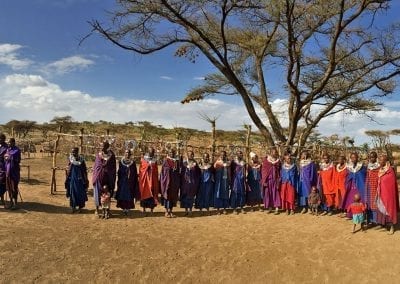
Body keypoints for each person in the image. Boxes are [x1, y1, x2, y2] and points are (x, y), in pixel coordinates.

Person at [375, 154, 399, 235]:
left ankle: (392, 227)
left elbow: (391, 183)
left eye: (381, 160)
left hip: (388, 194)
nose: (380, 161)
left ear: (385, 161)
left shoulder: (390, 170)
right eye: (379, 160)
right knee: (382, 208)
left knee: (389, 209)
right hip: (380, 192)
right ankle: (384, 224)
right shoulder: (380, 169)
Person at [92, 141, 116, 216]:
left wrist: (108, 172)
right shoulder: (98, 155)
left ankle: (107, 210)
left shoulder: (111, 156)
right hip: (99, 177)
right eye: (100, 146)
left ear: (106, 147)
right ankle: (97, 209)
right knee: (97, 192)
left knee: (107, 192)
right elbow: (96, 166)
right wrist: (96, 175)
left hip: (108, 177)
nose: (101, 148)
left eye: (103, 146)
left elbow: (113, 167)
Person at [341, 152, 366, 218]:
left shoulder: (362, 167)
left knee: (360, 199)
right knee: (351, 199)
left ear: (357, 158)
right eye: (352, 158)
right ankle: (351, 214)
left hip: (359, 186)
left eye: (355, 157)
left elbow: (363, 176)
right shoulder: (349, 167)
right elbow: (347, 176)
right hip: (351, 186)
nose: (353, 159)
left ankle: (360, 214)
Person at [116, 149, 139, 215]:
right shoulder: (121, 161)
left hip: (130, 181)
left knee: (129, 194)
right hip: (123, 180)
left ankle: (128, 208)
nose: (127, 154)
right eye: (126, 152)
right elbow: (119, 171)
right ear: (124, 153)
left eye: (128, 153)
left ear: (130, 154)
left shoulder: (133, 162)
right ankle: (123, 208)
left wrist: (130, 174)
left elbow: (134, 172)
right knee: (122, 194)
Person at [65, 147, 88, 213]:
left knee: (80, 193)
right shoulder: (71, 159)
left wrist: (85, 179)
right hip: (72, 179)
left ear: (77, 152)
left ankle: (80, 208)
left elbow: (84, 169)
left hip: (80, 180)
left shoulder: (81, 159)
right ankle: (73, 207)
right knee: (73, 193)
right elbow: (69, 169)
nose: (73, 153)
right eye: (72, 152)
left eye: (74, 152)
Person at [160, 148, 181, 218]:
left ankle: (171, 211)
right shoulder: (165, 161)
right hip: (167, 182)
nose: (171, 154)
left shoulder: (176, 161)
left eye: (172, 153)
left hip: (174, 182)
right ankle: (166, 211)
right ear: (168, 153)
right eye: (170, 152)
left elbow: (178, 171)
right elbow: (162, 172)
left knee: (173, 196)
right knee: (167, 196)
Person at [138, 147, 159, 215]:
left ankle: (151, 210)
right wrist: (148, 166)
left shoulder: (155, 160)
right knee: (144, 193)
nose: (152, 153)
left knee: (152, 194)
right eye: (151, 151)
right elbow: (141, 169)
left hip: (152, 179)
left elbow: (156, 170)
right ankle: (144, 209)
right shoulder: (144, 159)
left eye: (153, 152)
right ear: (148, 152)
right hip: (146, 180)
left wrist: (152, 168)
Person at [180, 150, 201, 216]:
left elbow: (198, 173)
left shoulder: (195, 163)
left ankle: (190, 210)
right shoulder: (184, 163)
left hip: (192, 183)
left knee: (191, 197)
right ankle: (186, 210)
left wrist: (196, 181)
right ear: (187, 155)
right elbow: (182, 172)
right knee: (185, 196)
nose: (191, 156)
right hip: (185, 183)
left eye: (192, 154)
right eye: (189, 154)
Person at [261, 148, 281, 214]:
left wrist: (279, 179)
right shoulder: (266, 161)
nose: (274, 153)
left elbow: (280, 171)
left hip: (275, 180)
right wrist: (264, 181)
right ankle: (270, 208)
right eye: (273, 152)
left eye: (275, 152)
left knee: (276, 193)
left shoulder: (278, 161)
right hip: (268, 180)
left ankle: (277, 208)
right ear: (271, 153)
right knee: (268, 194)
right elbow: (263, 171)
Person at [5, 138, 21, 209]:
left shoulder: (17, 150)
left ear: (13, 142)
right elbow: (5, 157)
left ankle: (15, 204)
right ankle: (11, 202)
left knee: (14, 188)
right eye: (8, 143)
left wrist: (9, 157)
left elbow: (17, 159)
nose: (8, 144)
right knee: (9, 188)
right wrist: (7, 157)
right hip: (8, 172)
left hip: (14, 173)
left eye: (9, 142)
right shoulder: (8, 150)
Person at [230, 150, 247, 214]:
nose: (241, 155)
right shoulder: (233, 162)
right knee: (235, 192)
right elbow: (230, 171)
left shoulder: (244, 162)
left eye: (241, 154)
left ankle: (242, 207)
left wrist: (244, 178)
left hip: (242, 179)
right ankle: (234, 208)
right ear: (236, 155)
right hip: (235, 179)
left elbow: (245, 171)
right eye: (239, 154)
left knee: (242, 192)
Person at [365, 151, 379, 224]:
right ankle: (370, 220)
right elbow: (367, 177)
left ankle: (377, 220)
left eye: (373, 157)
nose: (371, 159)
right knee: (369, 203)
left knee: (376, 203)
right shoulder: (368, 166)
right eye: (370, 157)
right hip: (369, 187)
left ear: (376, 158)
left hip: (377, 187)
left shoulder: (379, 166)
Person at [0, 133, 8, 206]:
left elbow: (6, 158)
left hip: (3, 168)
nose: (0, 140)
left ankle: (2, 199)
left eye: (1, 138)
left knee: (2, 184)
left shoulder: (6, 147)